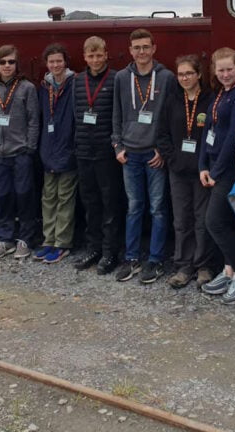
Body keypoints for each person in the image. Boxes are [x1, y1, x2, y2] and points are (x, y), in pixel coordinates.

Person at [112, 29, 176, 284]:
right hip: (130, 153)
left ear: (154, 48)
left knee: (158, 208)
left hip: (154, 155)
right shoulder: (121, 78)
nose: (141, 52)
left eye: (145, 47)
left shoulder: (167, 77)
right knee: (134, 207)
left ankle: (156, 260)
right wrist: (117, 145)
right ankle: (131, 258)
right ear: (130, 50)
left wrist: (163, 149)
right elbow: (116, 113)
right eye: (136, 47)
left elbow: (173, 117)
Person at [199, 48, 235, 303]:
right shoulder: (221, 92)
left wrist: (217, 171)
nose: (224, 74)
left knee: (215, 221)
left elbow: (234, 136)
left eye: (229, 69)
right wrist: (203, 165)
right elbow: (208, 130)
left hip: (230, 169)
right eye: (220, 70)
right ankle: (229, 269)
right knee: (229, 222)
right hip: (213, 167)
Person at [157, 54, 214, 288]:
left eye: (189, 73)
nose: (185, 78)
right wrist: (173, 160)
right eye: (180, 74)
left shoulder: (210, 99)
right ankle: (183, 265)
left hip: (202, 171)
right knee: (181, 219)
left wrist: (208, 163)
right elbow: (161, 134)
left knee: (203, 219)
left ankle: (203, 265)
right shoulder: (172, 100)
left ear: (199, 74)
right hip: (178, 171)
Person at [0, 45, 40, 261]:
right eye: (3, 62)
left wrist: (30, 147)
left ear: (17, 65)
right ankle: (5, 238)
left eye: (11, 62)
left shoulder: (27, 88)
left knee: (24, 196)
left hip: (20, 154)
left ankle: (25, 238)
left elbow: (34, 121)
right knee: (2, 197)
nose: (7, 66)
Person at [71, 36, 125, 275]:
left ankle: (110, 251)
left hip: (107, 152)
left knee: (110, 204)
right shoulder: (78, 81)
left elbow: (119, 115)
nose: (95, 60)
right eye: (90, 56)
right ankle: (93, 248)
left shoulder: (116, 79)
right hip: (84, 150)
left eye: (99, 55)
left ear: (106, 54)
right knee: (90, 203)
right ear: (85, 57)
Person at [34, 43, 78, 264]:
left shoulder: (74, 84)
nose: (55, 65)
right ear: (47, 64)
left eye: (59, 61)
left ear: (65, 62)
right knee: (48, 198)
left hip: (68, 149)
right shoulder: (44, 87)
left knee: (65, 198)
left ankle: (62, 242)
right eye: (51, 62)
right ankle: (48, 239)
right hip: (48, 149)